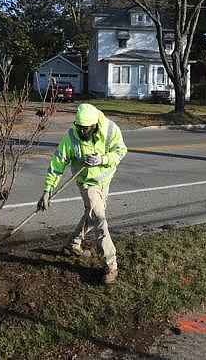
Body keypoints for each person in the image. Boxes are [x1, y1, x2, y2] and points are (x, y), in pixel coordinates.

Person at [37, 103, 127, 284]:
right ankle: (110, 264)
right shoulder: (71, 137)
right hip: (86, 183)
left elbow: (120, 151)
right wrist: (47, 191)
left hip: (105, 180)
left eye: (86, 129)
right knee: (100, 219)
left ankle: (72, 244)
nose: (82, 132)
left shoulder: (110, 129)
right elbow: (57, 164)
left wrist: (102, 159)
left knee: (92, 215)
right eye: (80, 128)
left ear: (95, 125)